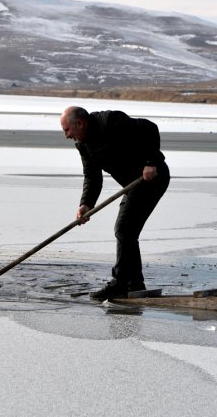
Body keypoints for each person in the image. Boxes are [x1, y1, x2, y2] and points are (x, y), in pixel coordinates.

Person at [60, 106, 170, 300]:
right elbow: (92, 177)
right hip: (132, 184)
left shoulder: (111, 121)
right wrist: (86, 204)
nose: (66, 135)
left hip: (152, 178)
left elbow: (150, 128)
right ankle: (135, 284)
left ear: (80, 123)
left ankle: (121, 284)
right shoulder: (83, 144)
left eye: (67, 130)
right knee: (127, 231)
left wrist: (151, 162)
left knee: (124, 229)